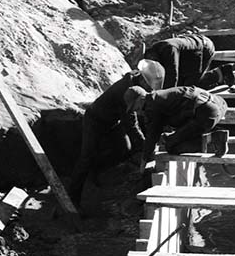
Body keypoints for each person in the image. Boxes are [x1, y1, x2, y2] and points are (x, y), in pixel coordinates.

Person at [67, 60, 166, 211]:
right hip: (95, 120)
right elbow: (131, 124)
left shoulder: (135, 83)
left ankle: (97, 172)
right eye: (147, 87)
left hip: (113, 121)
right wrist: (146, 146)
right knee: (86, 158)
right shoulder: (126, 92)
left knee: (124, 149)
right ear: (143, 80)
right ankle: (72, 197)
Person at [127, 85, 229, 164]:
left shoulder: (151, 107)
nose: (137, 112)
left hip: (206, 114)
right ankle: (214, 136)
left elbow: (152, 135)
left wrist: (144, 160)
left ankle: (213, 140)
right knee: (176, 136)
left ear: (140, 99)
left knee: (171, 146)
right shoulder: (160, 96)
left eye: (136, 108)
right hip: (219, 103)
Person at [145, 32, 235, 90]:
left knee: (190, 88)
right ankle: (220, 73)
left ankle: (224, 72)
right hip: (190, 53)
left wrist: (165, 96)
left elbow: (172, 75)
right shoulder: (158, 49)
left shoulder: (168, 49)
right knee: (182, 85)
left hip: (203, 48)